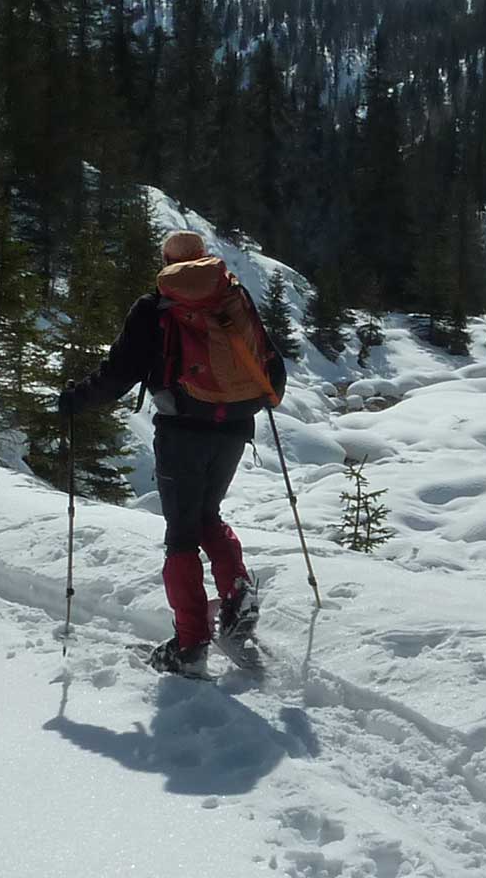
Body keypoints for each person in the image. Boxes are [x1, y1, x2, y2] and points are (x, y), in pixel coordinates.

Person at [57, 231, 287, 675]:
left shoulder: (154, 308)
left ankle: (190, 644)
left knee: (181, 534)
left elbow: (118, 374)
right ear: (203, 258)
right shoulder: (232, 298)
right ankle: (237, 596)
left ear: (165, 262)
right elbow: (271, 365)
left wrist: (75, 400)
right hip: (235, 428)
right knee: (208, 516)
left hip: (182, 431)